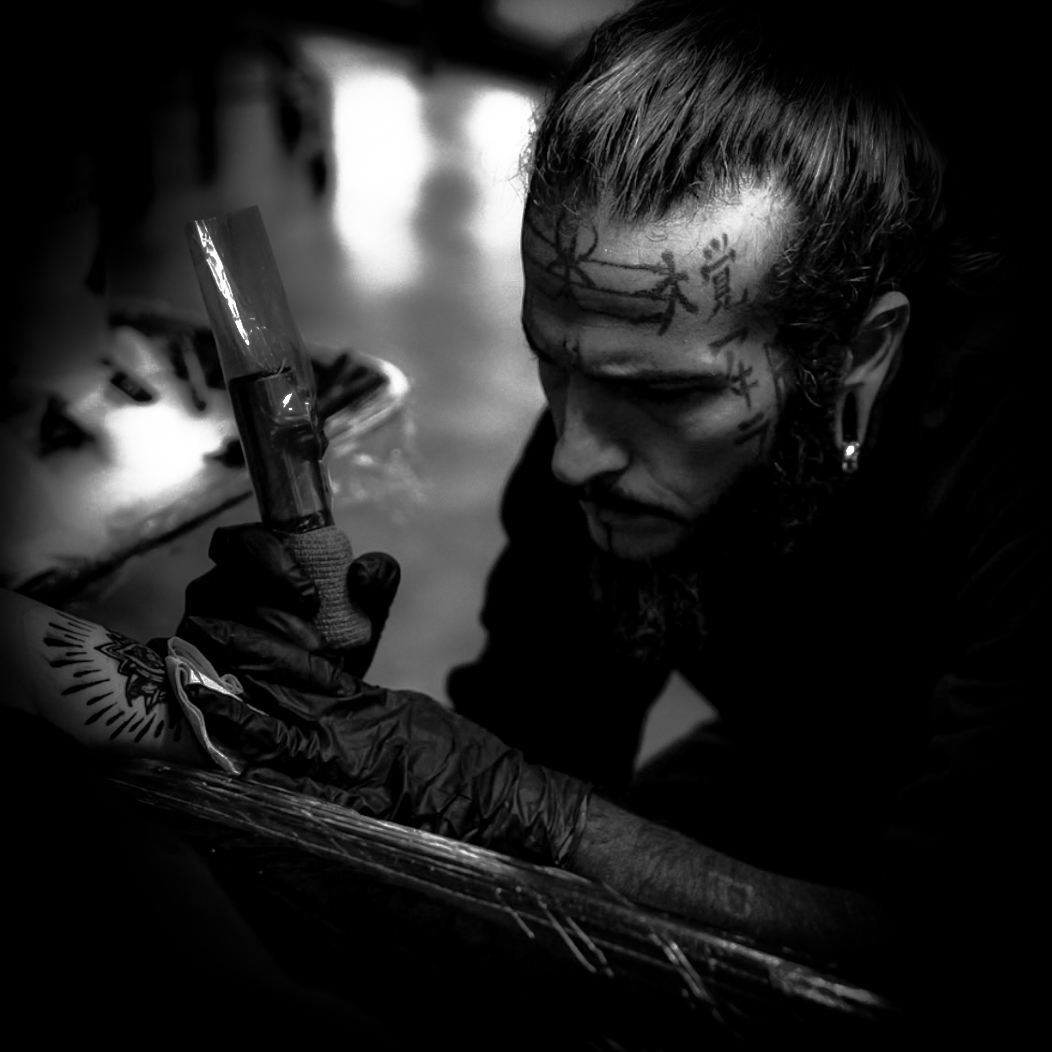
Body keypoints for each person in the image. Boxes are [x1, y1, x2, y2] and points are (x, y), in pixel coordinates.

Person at [24, 0, 1030, 1038]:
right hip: (805, 759)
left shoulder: (1014, 477)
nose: (573, 453)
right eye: (555, 363)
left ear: (857, 354)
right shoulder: (593, 469)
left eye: (669, 394)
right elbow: (473, 915)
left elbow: (943, 957)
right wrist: (316, 756)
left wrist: (519, 805)